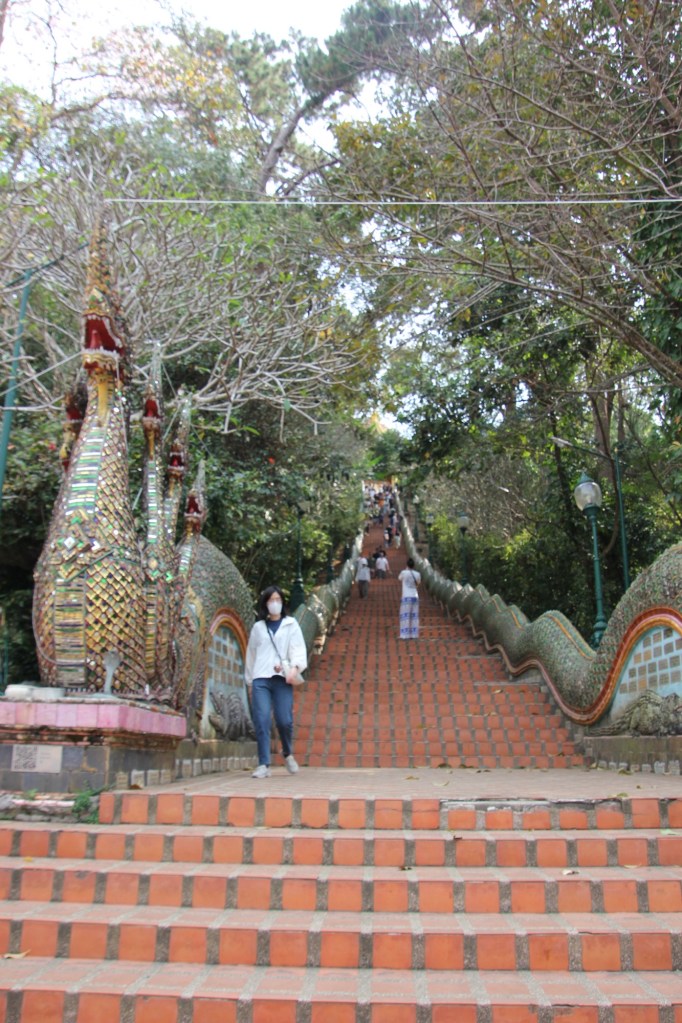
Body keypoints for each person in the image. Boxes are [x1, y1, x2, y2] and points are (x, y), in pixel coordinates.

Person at [244, 585, 307, 778]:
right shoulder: (258, 628)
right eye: (271, 600)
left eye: (278, 600)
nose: (275, 603)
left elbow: (298, 650)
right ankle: (263, 764)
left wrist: (293, 670)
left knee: (284, 720)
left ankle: (287, 753)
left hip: (282, 679)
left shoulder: (291, 624)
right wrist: (249, 682)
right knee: (262, 719)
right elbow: (251, 655)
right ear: (265, 604)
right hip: (260, 678)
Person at [398, 558, 421, 639]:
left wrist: (406, 569)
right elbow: (418, 583)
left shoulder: (403, 572)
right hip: (415, 596)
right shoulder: (417, 574)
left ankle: (405, 635)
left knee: (405, 616)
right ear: (414, 565)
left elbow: (399, 578)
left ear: (407, 564)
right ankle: (414, 634)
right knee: (414, 616)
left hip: (406, 596)